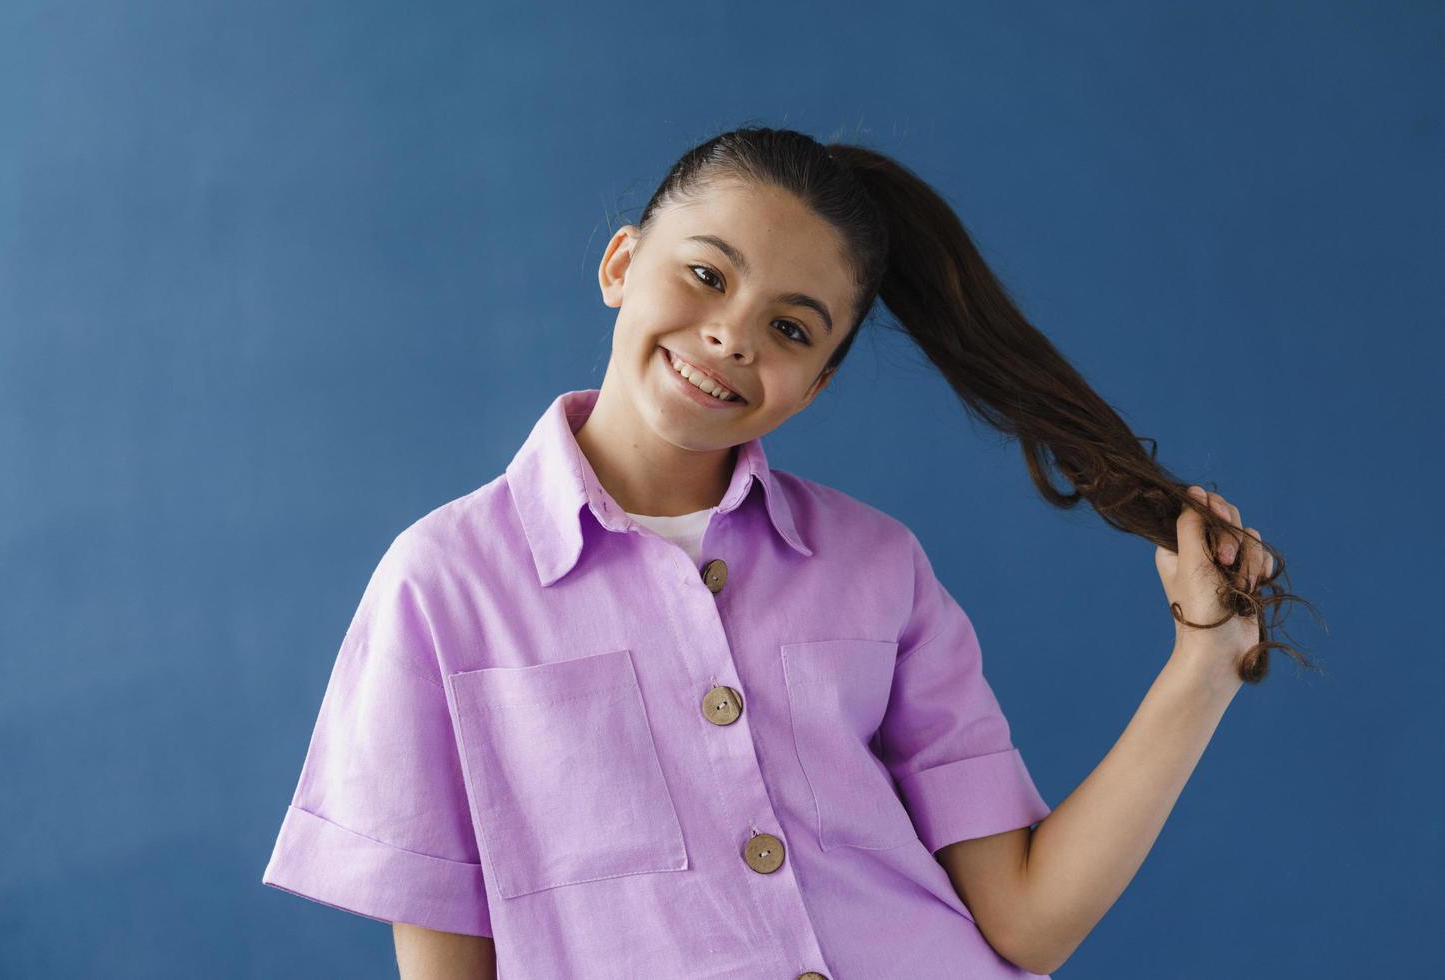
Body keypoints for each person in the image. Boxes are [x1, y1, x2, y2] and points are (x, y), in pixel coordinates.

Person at [262, 127, 1307, 978]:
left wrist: (1202, 664)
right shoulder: (445, 582)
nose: (731, 336)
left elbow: (1027, 923)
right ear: (622, 264)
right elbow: (447, 950)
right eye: (706, 275)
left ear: (816, 383)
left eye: (793, 329)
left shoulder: (878, 566)